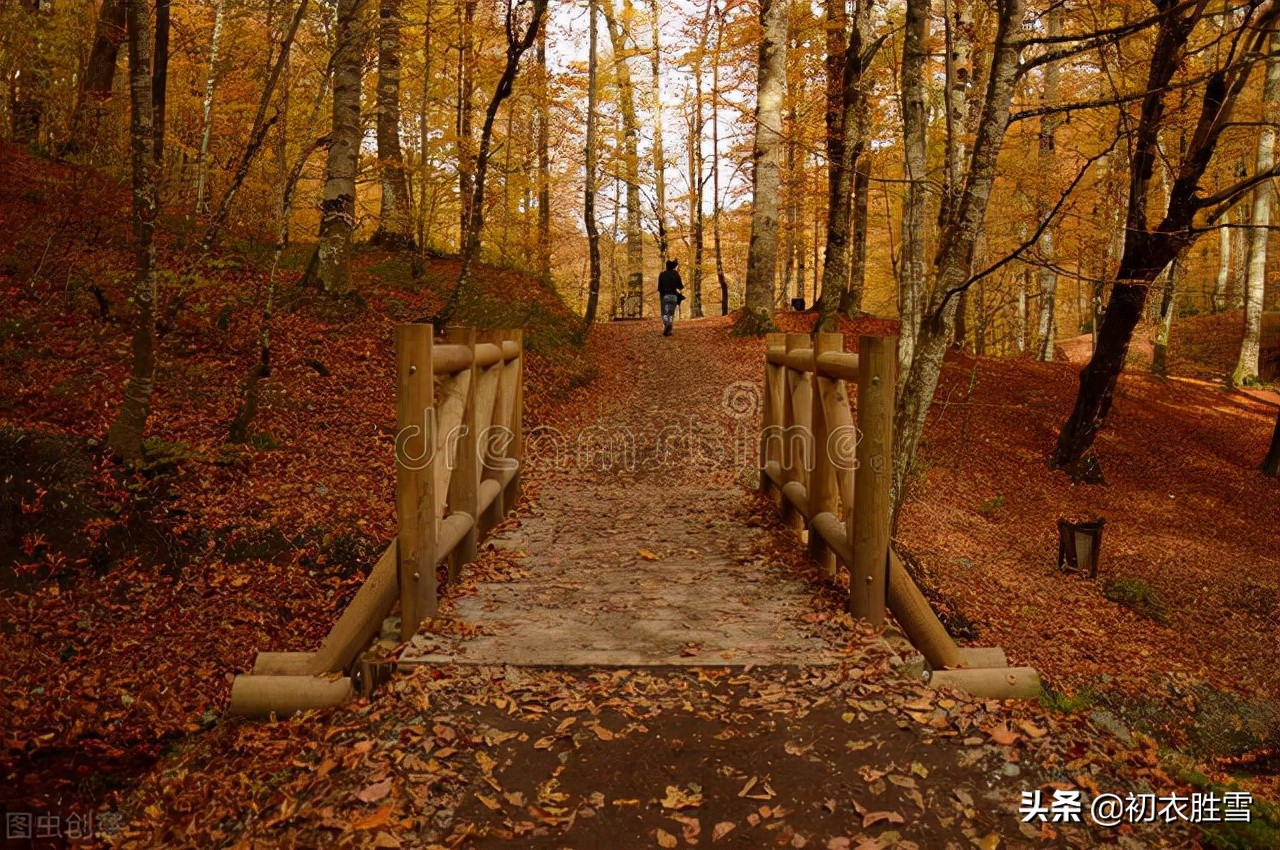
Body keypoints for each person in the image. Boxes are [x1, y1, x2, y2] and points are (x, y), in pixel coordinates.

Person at [657, 259, 684, 336]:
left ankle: (667, 325)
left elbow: (659, 288)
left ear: (666, 266)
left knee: (664, 314)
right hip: (674, 297)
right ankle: (669, 331)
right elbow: (681, 287)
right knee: (671, 314)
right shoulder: (676, 274)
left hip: (665, 297)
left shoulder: (662, 274)